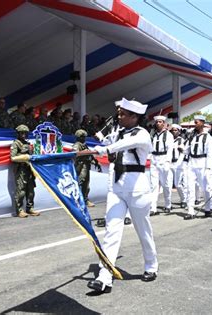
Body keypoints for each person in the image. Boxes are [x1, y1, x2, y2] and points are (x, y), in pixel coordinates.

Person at [88, 98, 158, 293]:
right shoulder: (117, 132)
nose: (119, 117)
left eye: (123, 114)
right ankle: (104, 276)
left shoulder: (142, 134)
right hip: (116, 188)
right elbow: (105, 142)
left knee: (143, 230)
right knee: (111, 231)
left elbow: (124, 144)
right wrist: (98, 141)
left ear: (135, 117)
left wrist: (107, 148)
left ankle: (151, 265)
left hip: (137, 190)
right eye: (118, 114)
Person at [185, 115, 212, 219]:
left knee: (206, 188)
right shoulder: (192, 136)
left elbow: (210, 154)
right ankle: (190, 210)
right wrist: (182, 150)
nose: (195, 124)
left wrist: (208, 168)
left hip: (202, 163)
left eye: (196, 122)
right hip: (192, 162)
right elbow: (188, 150)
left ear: (202, 123)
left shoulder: (208, 137)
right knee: (190, 187)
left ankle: (208, 208)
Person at [10, 125, 41, 218]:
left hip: (29, 169)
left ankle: (30, 208)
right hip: (21, 170)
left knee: (31, 191)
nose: (23, 135)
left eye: (25, 133)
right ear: (18, 134)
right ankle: (19, 210)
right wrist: (24, 155)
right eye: (21, 133)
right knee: (21, 191)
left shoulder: (28, 144)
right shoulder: (16, 144)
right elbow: (13, 158)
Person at [149, 115, 174, 215]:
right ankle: (153, 208)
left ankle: (168, 204)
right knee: (153, 185)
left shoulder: (168, 135)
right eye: (157, 122)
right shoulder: (153, 135)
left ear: (164, 123)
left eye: (160, 122)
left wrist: (168, 162)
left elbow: (170, 149)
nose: (158, 123)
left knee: (166, 185)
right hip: (154, 160)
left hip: (164, 160)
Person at [73, 129, 102, 207]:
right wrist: (85, 152)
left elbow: (90, 155)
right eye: (82, 137)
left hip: (86, 165)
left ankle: (85, 199)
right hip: (81, 166)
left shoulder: (84, 144)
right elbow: (76, 154)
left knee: (86, 184)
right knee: (81, 182)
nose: (84, 138)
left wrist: (96, 162)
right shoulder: (77, 145)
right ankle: (79, 200)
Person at [169, 124, 188, 208]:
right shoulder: (169, 140)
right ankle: (168, 203)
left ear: (179, 131)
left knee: (178, 184)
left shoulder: (181, 140)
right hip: (169, 163)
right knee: (168, 184)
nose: (174, 132)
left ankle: (184, 199)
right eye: (172, 130)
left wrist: (179, 163)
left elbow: (183, 153)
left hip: (178, 164)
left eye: (176, 130)